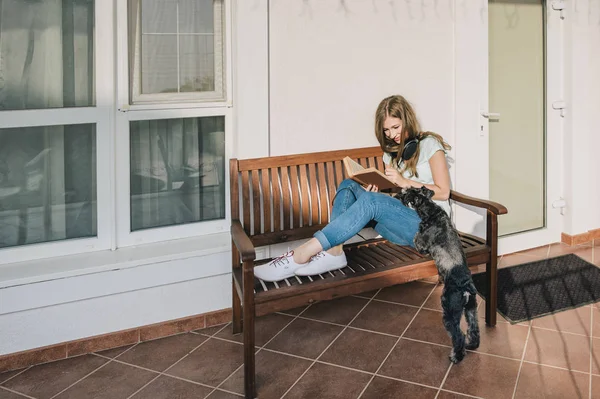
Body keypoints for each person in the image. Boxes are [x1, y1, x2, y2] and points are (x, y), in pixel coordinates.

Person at [253, 95, 453, 282]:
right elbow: (396, 195)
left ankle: (301, 254)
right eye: (386, 130)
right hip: (401, 226)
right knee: (349, 185)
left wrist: (404, 182)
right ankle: (335, 252)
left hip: (431, 229)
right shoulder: (391, 154)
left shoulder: (430, 145)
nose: (392, 135)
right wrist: (381, 192)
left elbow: (443, 192)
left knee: (371, 202)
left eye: (396, 127)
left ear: (407, 120)